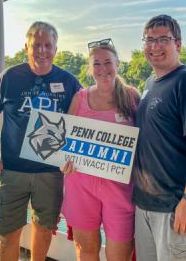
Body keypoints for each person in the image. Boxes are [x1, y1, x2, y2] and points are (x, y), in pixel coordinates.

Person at [0, 21, 81, 261]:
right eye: (37, 45)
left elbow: (81, 124)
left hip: (51, 173)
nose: (42, 51)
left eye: (48, 45)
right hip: (12, 171)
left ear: (56, 49)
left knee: (44, 230)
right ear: (26, 46)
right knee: (7, 235)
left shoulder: (69, 82)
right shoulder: (9, 77)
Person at [133, 14, 186, 261]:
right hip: (146, 203)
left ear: (177, 44)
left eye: (163, 40)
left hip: (177, 206)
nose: (155, 47)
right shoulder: (150, 83)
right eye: (149, 40)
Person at [61, 38, 140, 261]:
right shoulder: (80, 98)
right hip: (81, 185)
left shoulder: (132, 96)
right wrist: (63, 160)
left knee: (120, 256)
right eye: (97, 64)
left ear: (118, 65)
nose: (103, 69)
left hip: (120, 190)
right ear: (90, 68)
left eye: (108, 62)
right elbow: (63, 140)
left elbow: (147, 139)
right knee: (86, 252)